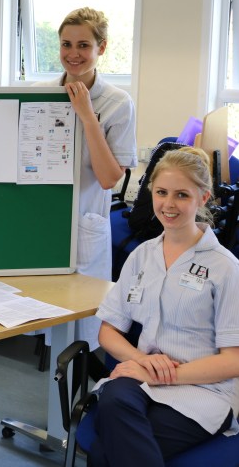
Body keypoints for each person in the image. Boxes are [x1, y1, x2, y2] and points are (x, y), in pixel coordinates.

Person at [89, 147, 239, 466]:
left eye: (182, 195)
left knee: (104, 451)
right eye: (161, 192)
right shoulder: (142, 255)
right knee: (114, 401)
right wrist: (143, 362)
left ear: (204, 198)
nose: (168, 205)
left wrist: (164, 375)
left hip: (203, 391)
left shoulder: (226, 268)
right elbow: (109, 331)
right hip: (142, 378)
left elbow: (234, 360)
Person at [32, 7, 137, 376]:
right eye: (65, 44)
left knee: (82, 327)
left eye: (83, 45)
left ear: (101, 47)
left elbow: (110, 177)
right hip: (42, 221)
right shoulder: (40, 94)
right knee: (49, 320)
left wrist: (87, 114)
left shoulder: (117, 102)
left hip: (85, 225)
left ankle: (77, 418)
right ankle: (60, 414)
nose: (73, 53)